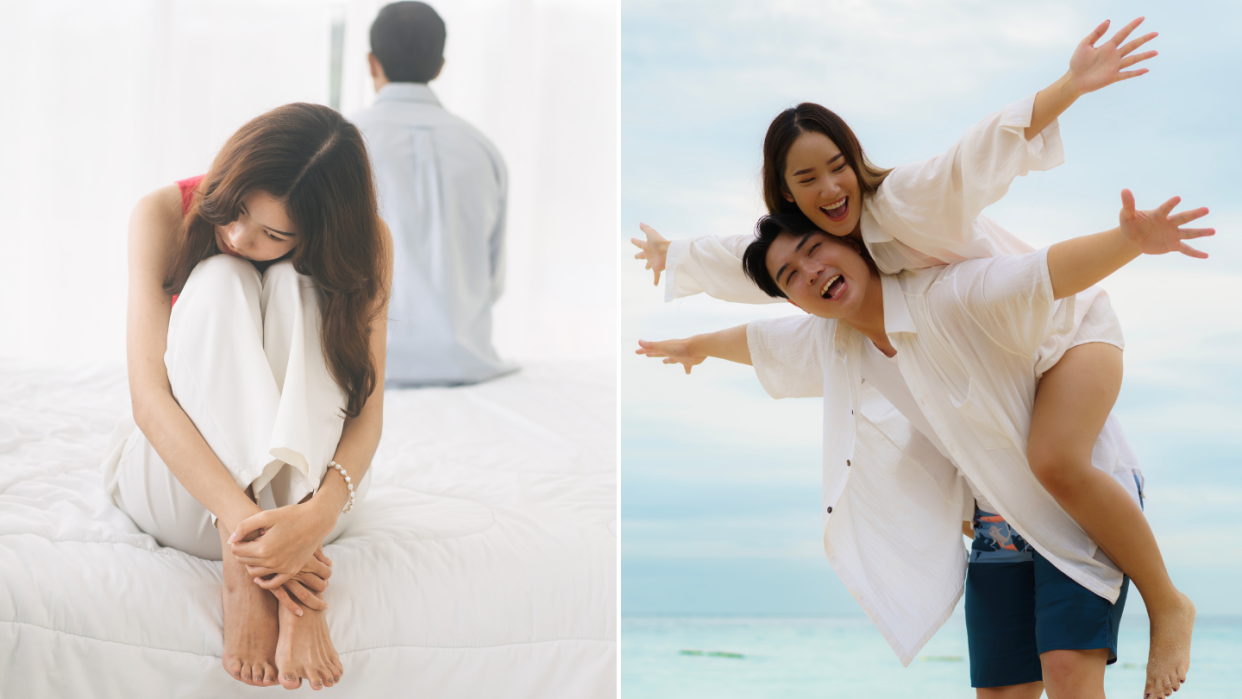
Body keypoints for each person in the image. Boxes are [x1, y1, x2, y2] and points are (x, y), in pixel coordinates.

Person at [631, 16, 1195, 698]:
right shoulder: (832, 294)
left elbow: (981, 164)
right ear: (788, 197)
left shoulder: (903, 206)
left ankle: (1168, 600)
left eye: (838, 165)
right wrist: (683, 284)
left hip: (1067, 329)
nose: (831, 187)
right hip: (1000, 423)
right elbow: (760, 301)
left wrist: (1070, 90)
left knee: (1055, 460)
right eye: (808, 179)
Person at [100, 103, 393, 690]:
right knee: (220, 279)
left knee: (298, 287)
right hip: (181, 490)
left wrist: (314, 519)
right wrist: (251, 543)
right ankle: (273, 589)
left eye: (274, 233)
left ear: (320, 230)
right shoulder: (162, 213)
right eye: (234, 212)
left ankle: (287, 575)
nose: (236, 236)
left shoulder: (368, 246)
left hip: (305, 503)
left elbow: (367, 414)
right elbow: (148, 400)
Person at [352, 1, 513, 386]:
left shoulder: (341, 142)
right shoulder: (482, 148)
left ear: (371, 62)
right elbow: (493, 282)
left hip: (364, 367)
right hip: (468, 366)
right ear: (441, 66)